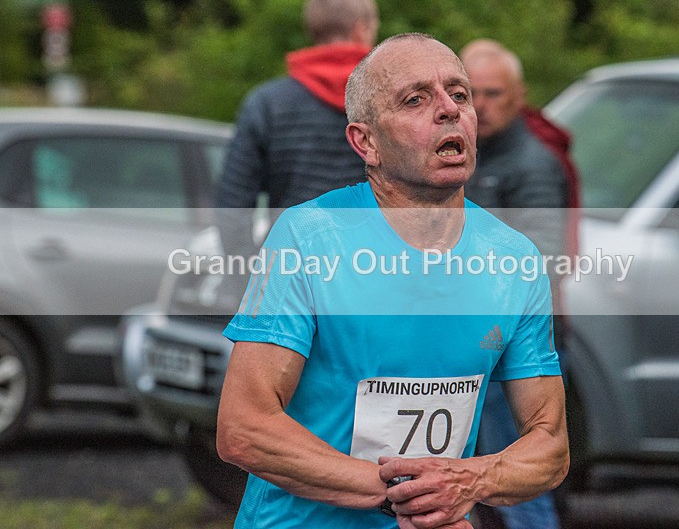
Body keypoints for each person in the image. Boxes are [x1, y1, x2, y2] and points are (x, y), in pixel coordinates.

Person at [216, 33, 569, 528]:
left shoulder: (514, 260)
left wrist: (469, 482)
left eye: (459, 94)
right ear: (367, 142)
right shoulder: (309, 238)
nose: (448, 110)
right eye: (416, 99)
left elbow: (550, 445)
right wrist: (410, 495)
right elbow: (244, 428)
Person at [460, 39, 575, 529]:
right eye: (470, 94)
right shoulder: (472, 156)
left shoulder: (532, 165)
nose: (480, 106)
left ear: (519, 94)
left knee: (521, 485)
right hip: (483, 343)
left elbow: (540, 266)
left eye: (493, 93)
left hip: (515, 348)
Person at [215, 0, 380, 263]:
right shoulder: (391, 102)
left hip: (290, 264)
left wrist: (250, 275)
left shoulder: (267, 104)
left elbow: (233, 207)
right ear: (361, 29)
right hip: (372, 266)